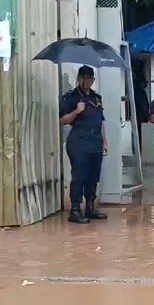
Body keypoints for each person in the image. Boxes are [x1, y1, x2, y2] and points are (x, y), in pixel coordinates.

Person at [59, 65, 109, 223]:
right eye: (84, 78)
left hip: (95, 142)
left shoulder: (96, 98)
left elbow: (100, 122)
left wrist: (104, 141)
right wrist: (76, 112)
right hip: (79, 142)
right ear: (79, 78)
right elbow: (62, 120)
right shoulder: (71, 97)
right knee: (79, 176)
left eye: (90, 78)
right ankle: (75, 209)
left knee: (93, 177)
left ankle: (90, 207)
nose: (87, 81)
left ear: (93, 80)